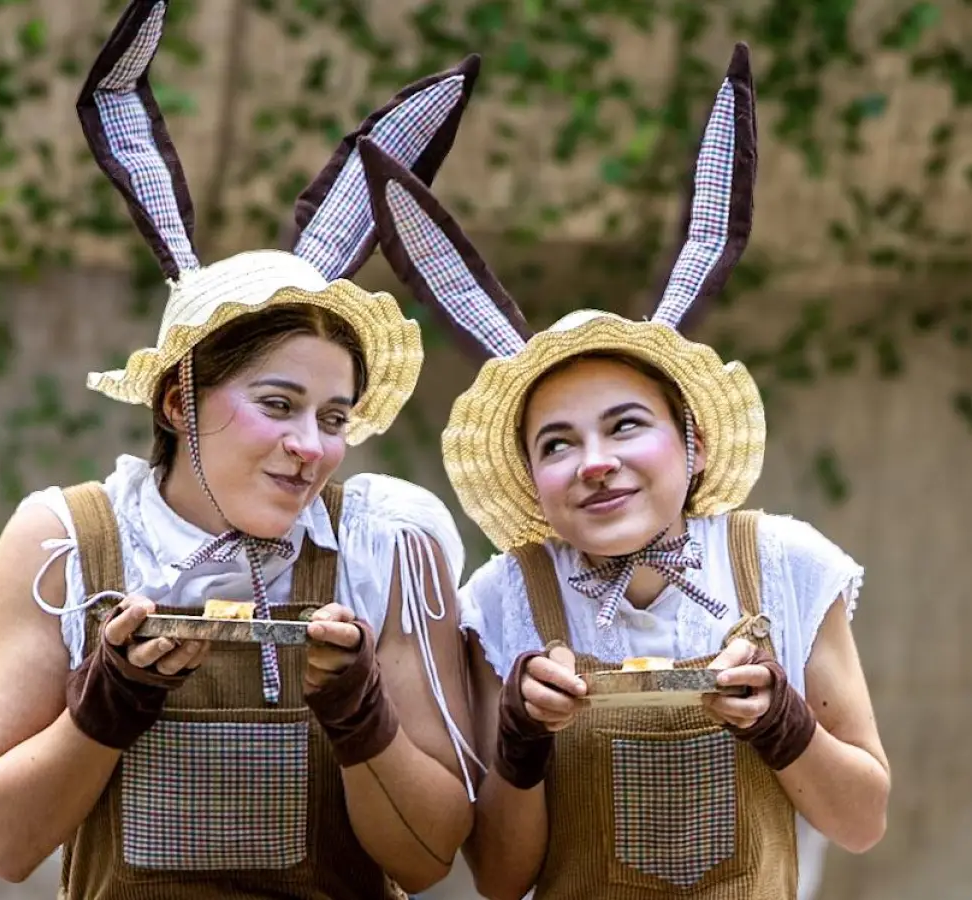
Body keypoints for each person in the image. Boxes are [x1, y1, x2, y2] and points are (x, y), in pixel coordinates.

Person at [0, 3, 485, 897]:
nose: (310, 446)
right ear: (179, 401)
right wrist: (106, 708)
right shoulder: (65, 542)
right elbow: (4, 845)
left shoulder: (387, 546)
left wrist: (360, 713)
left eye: (334, 416)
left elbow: (427, 859)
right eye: (278, 404)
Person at [356, 43, 890, 900]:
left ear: (697, 446)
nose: (595, 463)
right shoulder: (504, 600)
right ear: (532, 481)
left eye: (626, 427)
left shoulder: (785, 565)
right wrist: (524, 739)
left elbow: (862, 821)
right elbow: (497, 878)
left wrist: (785, 725)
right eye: (557, 444)